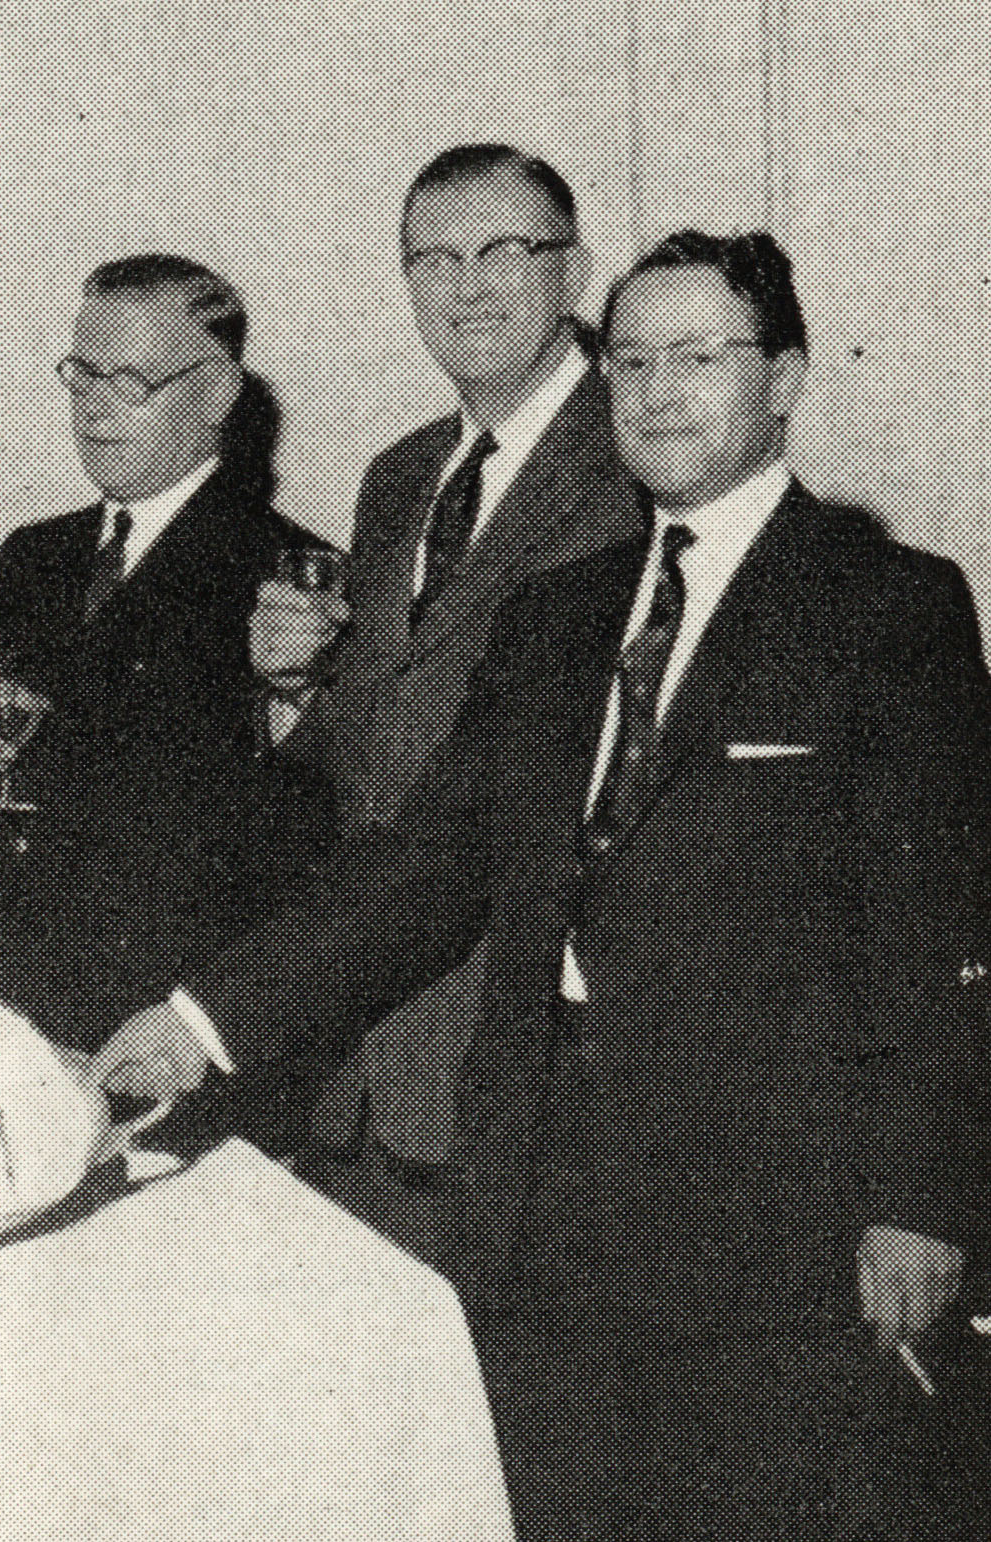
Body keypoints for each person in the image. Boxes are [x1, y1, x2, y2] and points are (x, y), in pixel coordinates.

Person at [97, 230, 991, 1538]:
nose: (655, 389)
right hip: (535, 1192)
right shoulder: (557, 616)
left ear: (787, 378)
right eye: (627, 359)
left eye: (698, 355)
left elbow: (934, 928)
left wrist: (917, 1198)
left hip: (769, 1216)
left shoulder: (885, 606)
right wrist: (201, 1020)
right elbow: (426, 867)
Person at [252, 145, 645, 1253]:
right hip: (364, 1064)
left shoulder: (637, 453)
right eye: (432, 257)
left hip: (529, 1075)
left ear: (572, 274)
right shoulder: (398, 476)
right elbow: (380, 744)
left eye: (501, 251)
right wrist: (294, 689)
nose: (465, 285)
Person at [0, 255, 333, 1074]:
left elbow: (302, 838)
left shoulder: (289, 577)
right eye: (82, 376)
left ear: (219, 392)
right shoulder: (34, 553)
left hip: (148, 1041)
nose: (95, 409)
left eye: (133, 381)